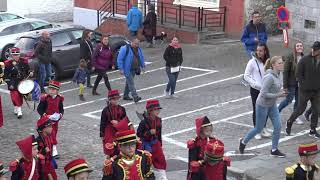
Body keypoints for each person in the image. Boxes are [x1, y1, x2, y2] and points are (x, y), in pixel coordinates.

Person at [239, 56, 287, 157]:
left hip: (272, 104)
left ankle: (274, 149)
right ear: (273, 65)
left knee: (278, 126)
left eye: (282, 63)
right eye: (279, 63)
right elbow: (263, 93)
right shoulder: (269, 77)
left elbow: (277, 87)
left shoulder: (280, 74)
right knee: (258, 128)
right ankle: (243, 141)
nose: (282, 64)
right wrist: (278, 95)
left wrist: (281, 91)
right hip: (262, 105)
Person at [286, 41, 320, 138]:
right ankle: (290, 121)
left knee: (316, 110)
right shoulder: (304, 60)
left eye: (316, 49)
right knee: (300, 109)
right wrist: (304, 85)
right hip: (305, 90)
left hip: (317, 91)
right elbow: (298, 75)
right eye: (313, 48)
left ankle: (312, 130)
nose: (313, 51)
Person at [243, 43, 271, 139]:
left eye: (260, 50)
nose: (258, 52)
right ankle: (256, 130)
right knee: (257, 110)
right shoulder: (252, 62)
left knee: (266, 109)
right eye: (257, 50)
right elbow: (246, 76)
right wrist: (254, 84)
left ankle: (263, 127)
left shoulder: (268, 61)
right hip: (255, 90)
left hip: (266, 89)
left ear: (265, 51)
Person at [137, 99, 168, 180]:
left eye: (158, 109)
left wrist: (160, 144)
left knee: (161, 159)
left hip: (155, 143)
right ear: (150, 110)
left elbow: (159, 133)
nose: (158, 111)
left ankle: (163, 177)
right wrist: (148, 133)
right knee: (147, 161)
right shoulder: (143, 122)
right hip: (146, 145)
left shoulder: (159, 120)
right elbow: (139, 134)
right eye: (156, 109)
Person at [278, 42, 305, 124]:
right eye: (297, 46)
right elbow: (285, 72)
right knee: (289, 100)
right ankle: (276, 112)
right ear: (295, 47)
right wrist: (285, 86)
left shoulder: (304, 57)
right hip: (291, 83)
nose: (299, 47)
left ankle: (295, 117)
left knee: (298, 101)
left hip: (300, 83)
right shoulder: (290, 57)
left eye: (300, 46)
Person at [100, 89, 133, 157]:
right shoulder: (105, 110)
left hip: (119, 129)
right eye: (114, 99)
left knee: (120, 144)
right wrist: (102, 134)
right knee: (111, 145)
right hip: (109, 130)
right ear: (110, 100)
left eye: (117, 99)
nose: (116, 101)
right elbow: (103, 122)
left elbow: (125, 120)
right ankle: (111, 159)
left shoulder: (122, 109)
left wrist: (119, 123)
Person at [37, 80, 64, 159]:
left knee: (54, 134)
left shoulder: (59, 99)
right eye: (50, 89)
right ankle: (43, 148)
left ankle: (54, 151)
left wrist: (60, 115)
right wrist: (44, 115)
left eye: (53, 90)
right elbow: (39, 109)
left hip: (55, 121)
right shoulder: (45, 99)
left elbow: (61, 109)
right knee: (46, 135)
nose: (51, 91)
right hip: (45, 121)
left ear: (57, 91)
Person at [4, 47, 33, 119]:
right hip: (13, 82)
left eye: (17, 54)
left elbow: (28, 70)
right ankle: (17, 107)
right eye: (14, 55)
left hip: (22, 81)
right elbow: (6, 76)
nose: (16, 56)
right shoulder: (8, 64)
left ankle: (19, 109)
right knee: (14, 96)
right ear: (11, 55)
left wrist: (31, 72)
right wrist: (10, 84)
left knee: (19, 96)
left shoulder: (23, 62)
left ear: (19, 55)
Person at [117, 38, 145, 103]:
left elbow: (141, 57)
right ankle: (135, 97)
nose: (137, 45)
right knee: (131, 83)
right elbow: (119, 59)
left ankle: (125, 95)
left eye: (138, 43)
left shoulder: (138, 48)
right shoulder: (125, 48)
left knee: (128, 82)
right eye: (136, 43)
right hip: (127, 69)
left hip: (134, 69)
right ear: (131, 42)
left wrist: (143, 66)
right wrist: (121, 68)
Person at [36, 115, 57, 180]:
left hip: (49, 165)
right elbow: (35, 157)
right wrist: (43, 152)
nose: (52, 128)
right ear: (44, 129)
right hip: (42, 168)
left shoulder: (49, 137)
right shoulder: (38, 141)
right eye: (50, 126)